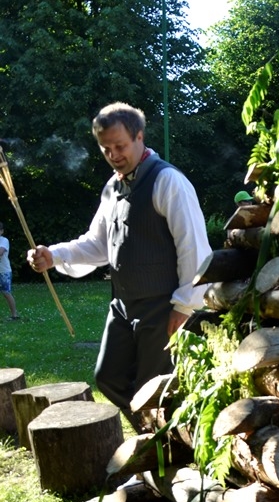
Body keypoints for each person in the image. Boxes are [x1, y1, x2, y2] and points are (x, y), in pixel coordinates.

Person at [26, 102, 211, 429]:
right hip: (123, 306)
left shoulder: (168, 181)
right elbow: (98, 244)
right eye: (106, 148)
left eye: (120, 146)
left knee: (155, 389)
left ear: (139, 137)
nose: (113, 154)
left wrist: (185, 305)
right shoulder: (112, 188)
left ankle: (165, 452)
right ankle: (154, 436)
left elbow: (194, 248)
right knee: (108, 377)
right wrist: (53, 255)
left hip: (162, 306)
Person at [0, 222, 19, 320]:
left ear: (2, 231)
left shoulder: (4, 240)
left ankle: (14, 315)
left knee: (6, 293)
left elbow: (0, 252)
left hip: (4, 271)